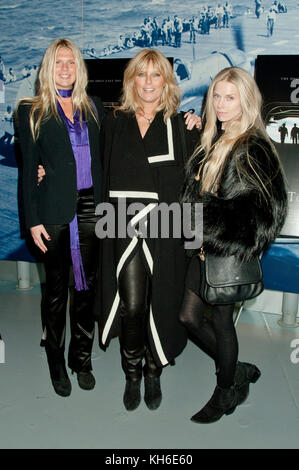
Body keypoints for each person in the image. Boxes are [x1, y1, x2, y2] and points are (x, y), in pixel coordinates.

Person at [180, 66, 287, 424]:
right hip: (201, 246)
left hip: (225, 251)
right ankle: (236, 369)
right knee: (188, 317)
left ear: (246, 102)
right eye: (217, 96)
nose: (221, 104)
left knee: (222, 322)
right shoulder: (213, 138)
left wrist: (204, 220)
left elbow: (264, 213)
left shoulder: (252, 146)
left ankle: (227, 390)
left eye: (230, 97)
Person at [95, 49, 201, 412]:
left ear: (166, 81)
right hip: (122, 225)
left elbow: (195, 186)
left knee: (165, 301)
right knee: (133, 304)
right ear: (132, 80)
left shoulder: (181, 125)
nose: (149, 83)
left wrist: (195, 238)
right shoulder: (114, 122)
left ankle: (155, 370)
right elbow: (95, 172)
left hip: (167, 228)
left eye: (156, 76)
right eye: (142, 75)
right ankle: (132, 373)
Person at [17, 38, 105, 397]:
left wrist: (188, 118)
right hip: (53, 213)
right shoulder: (31, 111)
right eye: (59, 62)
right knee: (55, 293)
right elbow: (28, 170)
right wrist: (33, 219)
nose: (65, 68)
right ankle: (56, 361)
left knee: (85, 291)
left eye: (71, 62)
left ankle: (81, 359)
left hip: (90, 210)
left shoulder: (95, 107)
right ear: (48, 68)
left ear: (79, 69)